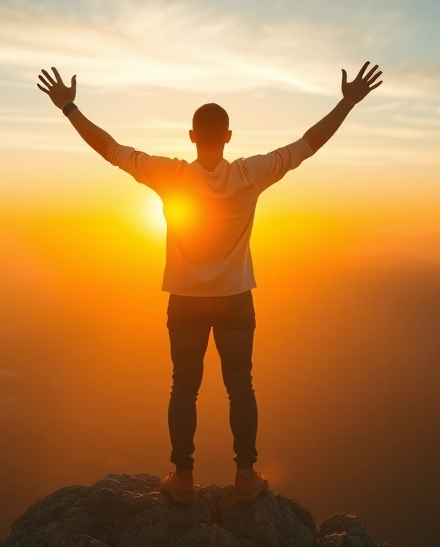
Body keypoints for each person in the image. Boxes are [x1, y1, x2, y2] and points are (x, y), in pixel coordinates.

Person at [37, 62, 383, 503]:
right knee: (241, 385)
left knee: (184, 386)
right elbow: (307, 144)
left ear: (192, 136)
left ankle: (182, 478)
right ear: (228, 136)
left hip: (185, 301)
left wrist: (68, 107)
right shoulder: (251, 174)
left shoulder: (171, 175)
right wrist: (347, 102)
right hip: (236, 299)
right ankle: (245, 474)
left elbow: (111, 149)